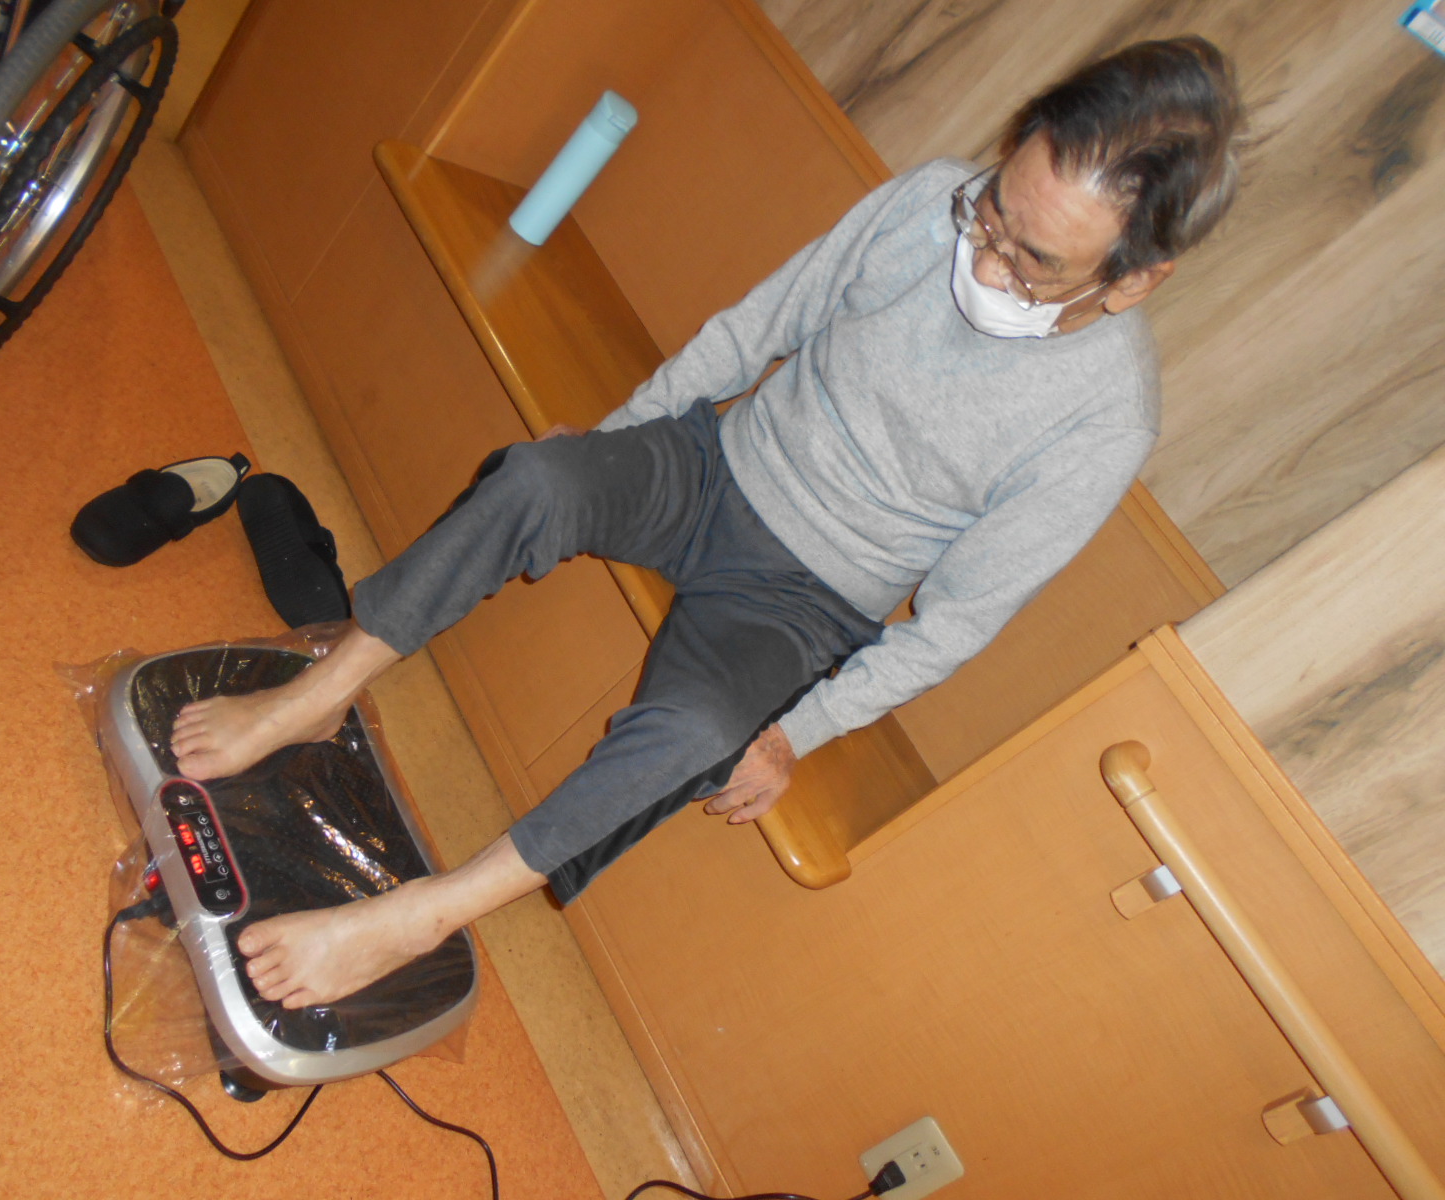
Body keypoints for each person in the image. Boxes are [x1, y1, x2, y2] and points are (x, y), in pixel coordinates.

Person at [170, 36, 1244, 1010]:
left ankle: (420, 917)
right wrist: (612, 453)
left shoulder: (1104, 419)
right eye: (993, 211)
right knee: (540, 479)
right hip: (713, 464)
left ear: (1132, 283)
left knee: (693, 737)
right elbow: (759, 328)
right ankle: (318, 695)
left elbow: (956, 624)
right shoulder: (932, 204)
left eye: (1031, 261)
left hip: (805, 602)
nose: (985, 257)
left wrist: (795, 733)